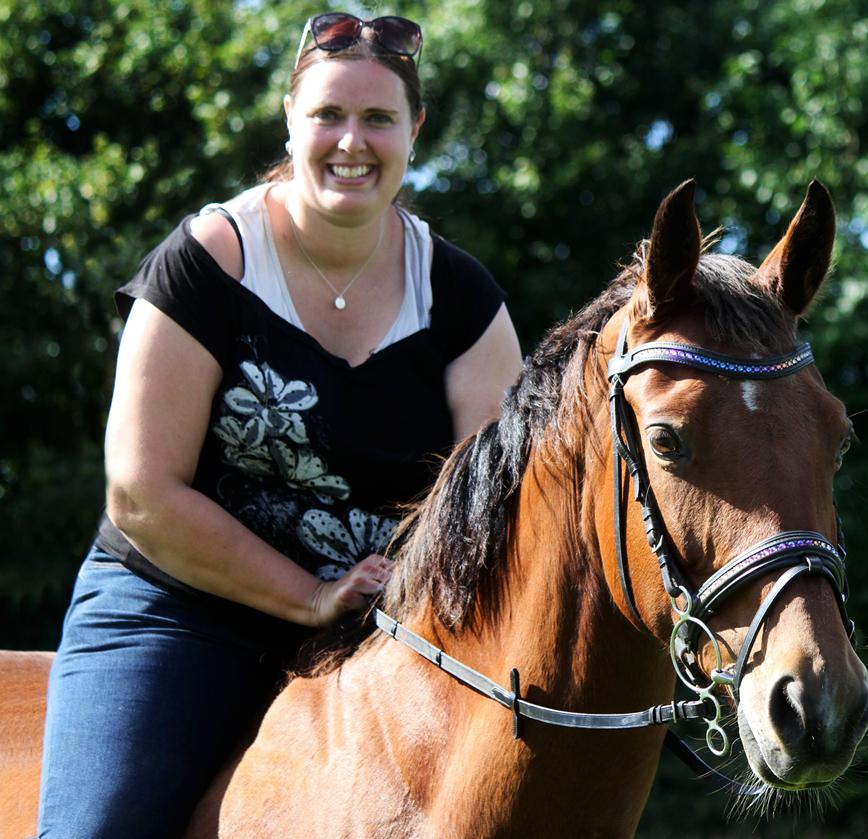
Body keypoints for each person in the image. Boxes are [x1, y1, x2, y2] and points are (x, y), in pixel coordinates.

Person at [36, 12, 522, 838]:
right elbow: (140, 492)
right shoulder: (206, 263)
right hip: (177, 610)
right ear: (290, 119)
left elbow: (498, 516)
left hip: (379, 636)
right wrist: (310, 594)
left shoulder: (463, 300)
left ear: (416, 131)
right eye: (328, 114)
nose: (351, 141)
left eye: (378, 119)